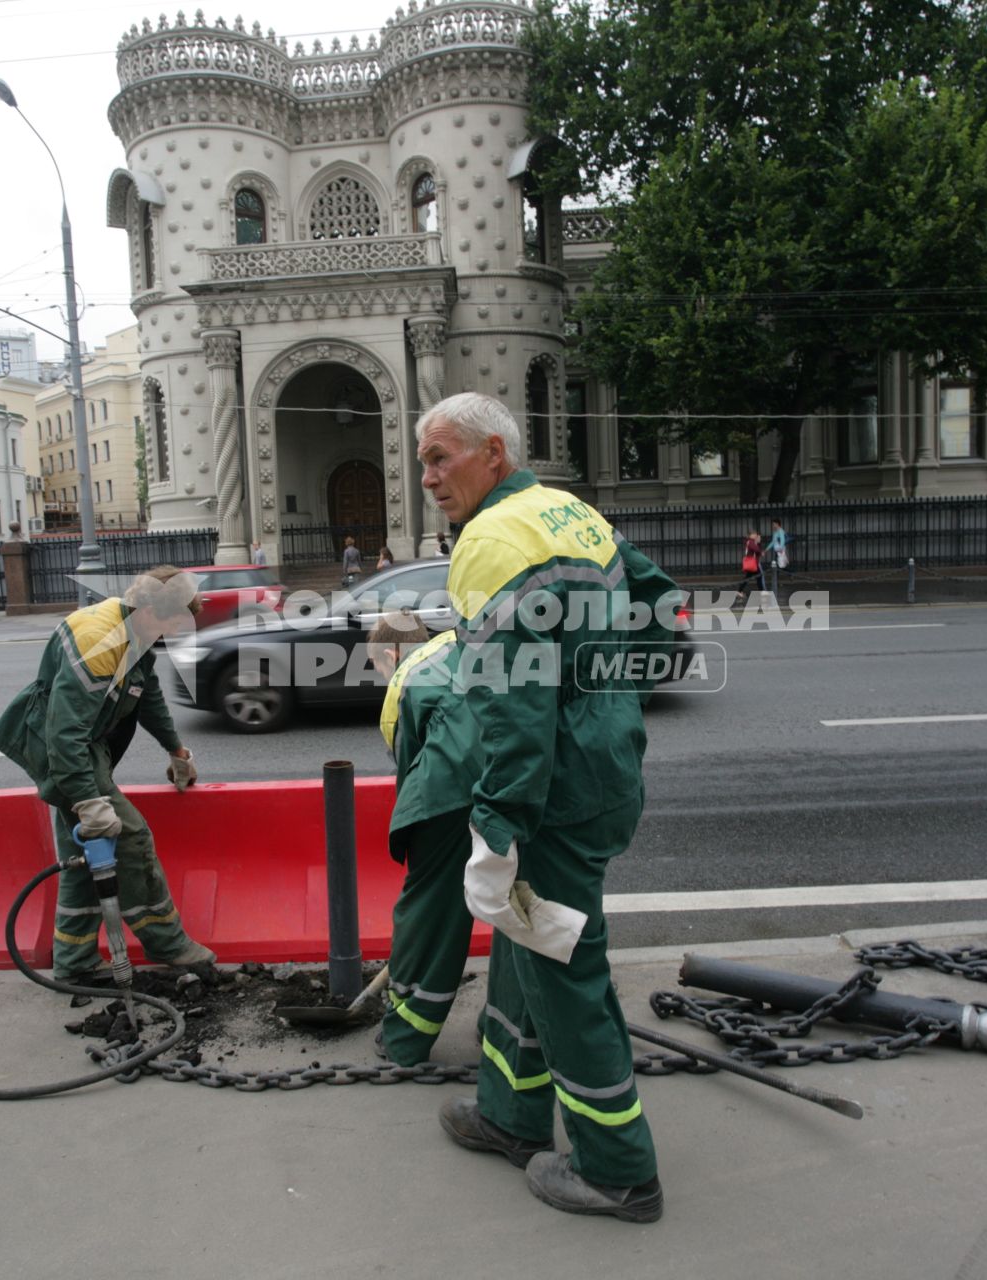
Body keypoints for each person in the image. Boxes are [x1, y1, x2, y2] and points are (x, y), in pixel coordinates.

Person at [416, 390, 679, 1224]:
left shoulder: (491, 540)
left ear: (493, 452)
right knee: (529, 944)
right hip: (601, 767)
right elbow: (665, 611)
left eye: (440, 456)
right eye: (423, 459)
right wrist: (602, 690)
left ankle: (619, 1169)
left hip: (551, 792)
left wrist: (497, 825)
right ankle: (512, 1114)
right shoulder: (567, 511)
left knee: (567, 969)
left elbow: (514, 705)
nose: (427, 476)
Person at [0, 565, 216, 1004]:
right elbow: (63, 736)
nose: (177, 631)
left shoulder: (135, 633)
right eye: (174, 622)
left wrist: (176, 749)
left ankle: (73, 962)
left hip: (82, 748)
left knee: (83, 856)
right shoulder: (100, 643)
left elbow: (144, 694)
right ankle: (169, 945)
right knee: (129, 838)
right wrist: (90, 800)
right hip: (62, 750)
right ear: (149, 611)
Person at [367, 609, 479, 1067]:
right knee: (521, 905)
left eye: (377, 663)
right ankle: (514, 1019)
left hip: (455, 788)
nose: (380, 672)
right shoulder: (458, 645)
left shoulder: (404, 681)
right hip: (523, 773)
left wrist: (414, 847)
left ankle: (405, 1033)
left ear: (392, 652)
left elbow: (415, 780)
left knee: (430, 908)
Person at [740, 529, 764, 596]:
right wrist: (760, 551)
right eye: (755, 534)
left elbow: (756, 549)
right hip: (753, 563)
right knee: (759, 577)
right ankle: (761, 592)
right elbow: (756, 549)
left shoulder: (751, 541)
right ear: (751, 535)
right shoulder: (751, 542)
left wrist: (758, 543)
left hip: (752, 563)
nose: (756, 535)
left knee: (748, 578)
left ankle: (739, 591)